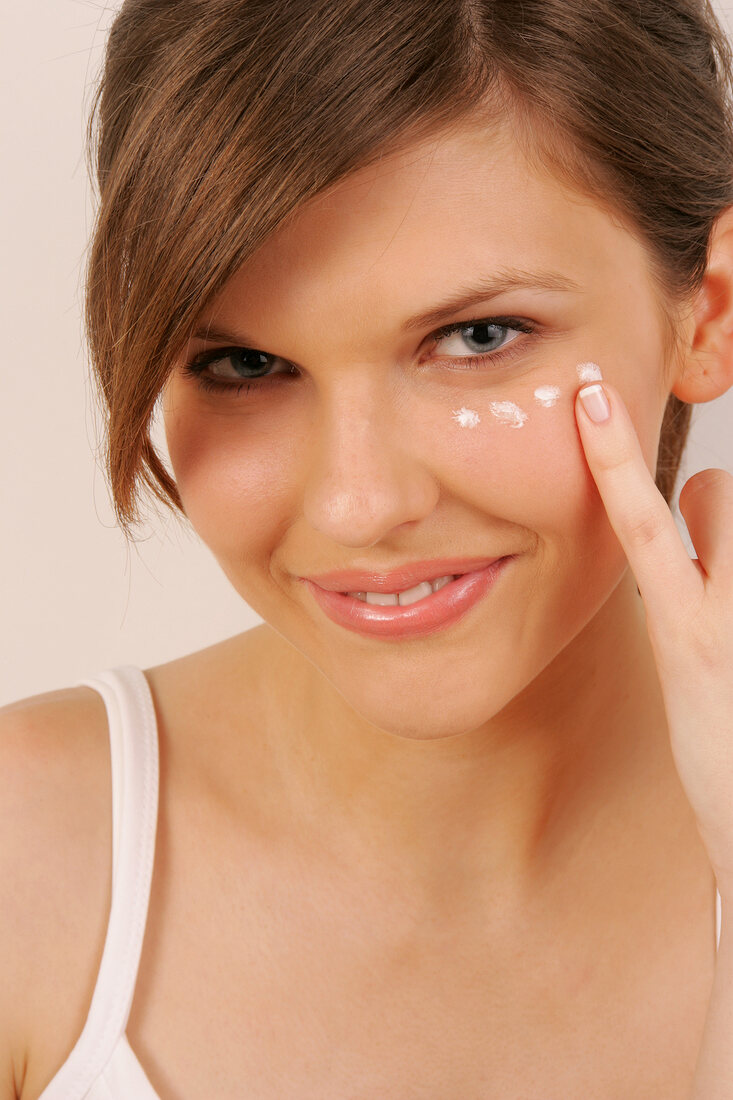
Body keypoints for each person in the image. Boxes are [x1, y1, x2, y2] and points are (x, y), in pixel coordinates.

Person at [3, 0, 733, 1096]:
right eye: (246, 364)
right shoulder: (26, 866)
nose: (358, 502)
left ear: (710, 313)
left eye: (478, 336)